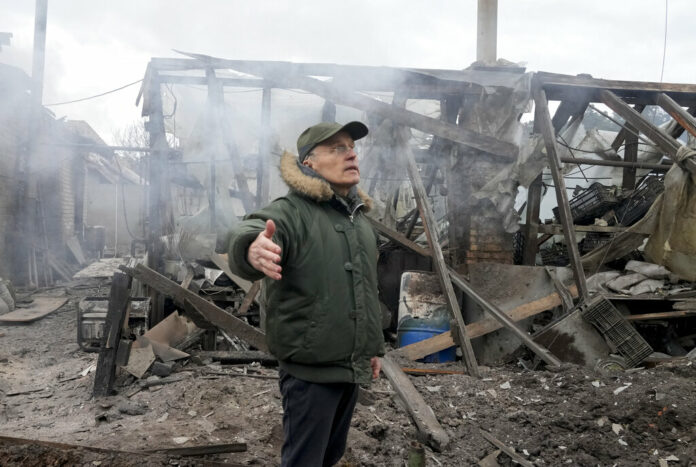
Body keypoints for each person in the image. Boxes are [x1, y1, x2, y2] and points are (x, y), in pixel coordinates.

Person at [226, 121, 385, 467]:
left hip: (348, 367)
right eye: (337, 148)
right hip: (310, 373)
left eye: (352, 147)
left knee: (330, 455)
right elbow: (252, 228)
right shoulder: (294, 211)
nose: (351, 153)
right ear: (309, 163)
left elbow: (364, 291)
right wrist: (252, 247)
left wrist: (370, 348)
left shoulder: (359, 219)